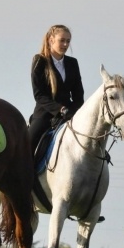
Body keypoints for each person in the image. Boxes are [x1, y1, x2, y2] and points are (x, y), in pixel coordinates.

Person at [28, 25, 84, 157]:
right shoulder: (39, 61)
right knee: (28, 142)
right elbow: (39, 95)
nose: (65, 44)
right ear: (51, 40)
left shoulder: (73, 63)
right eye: (62, 40)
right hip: (46, 113)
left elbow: (78, 94)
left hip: (70, 113)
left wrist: (74, 111)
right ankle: (27, 175)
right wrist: (60, 109)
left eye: (68, 41)